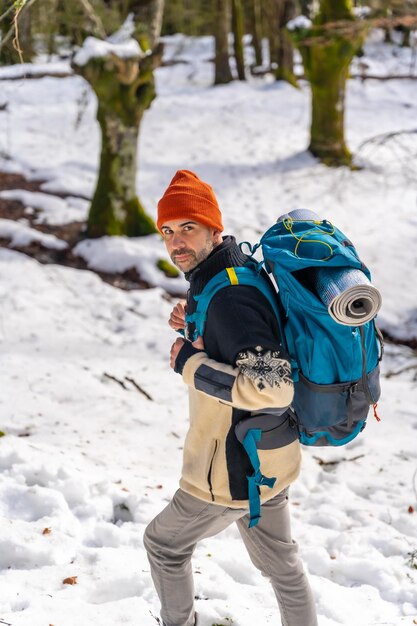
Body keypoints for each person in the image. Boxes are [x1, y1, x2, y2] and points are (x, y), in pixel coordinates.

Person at [144, 170, 317, 626]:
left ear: (213, 229)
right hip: (271, 457)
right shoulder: (230, 271)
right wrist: (193, 324)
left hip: (231, 469)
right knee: (283, 568)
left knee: (164, 545)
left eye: (188, 228)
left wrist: (189, 364)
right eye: (167, 231)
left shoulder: (230, 295)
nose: (176, 242)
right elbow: (243, 347)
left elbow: (272, 385)